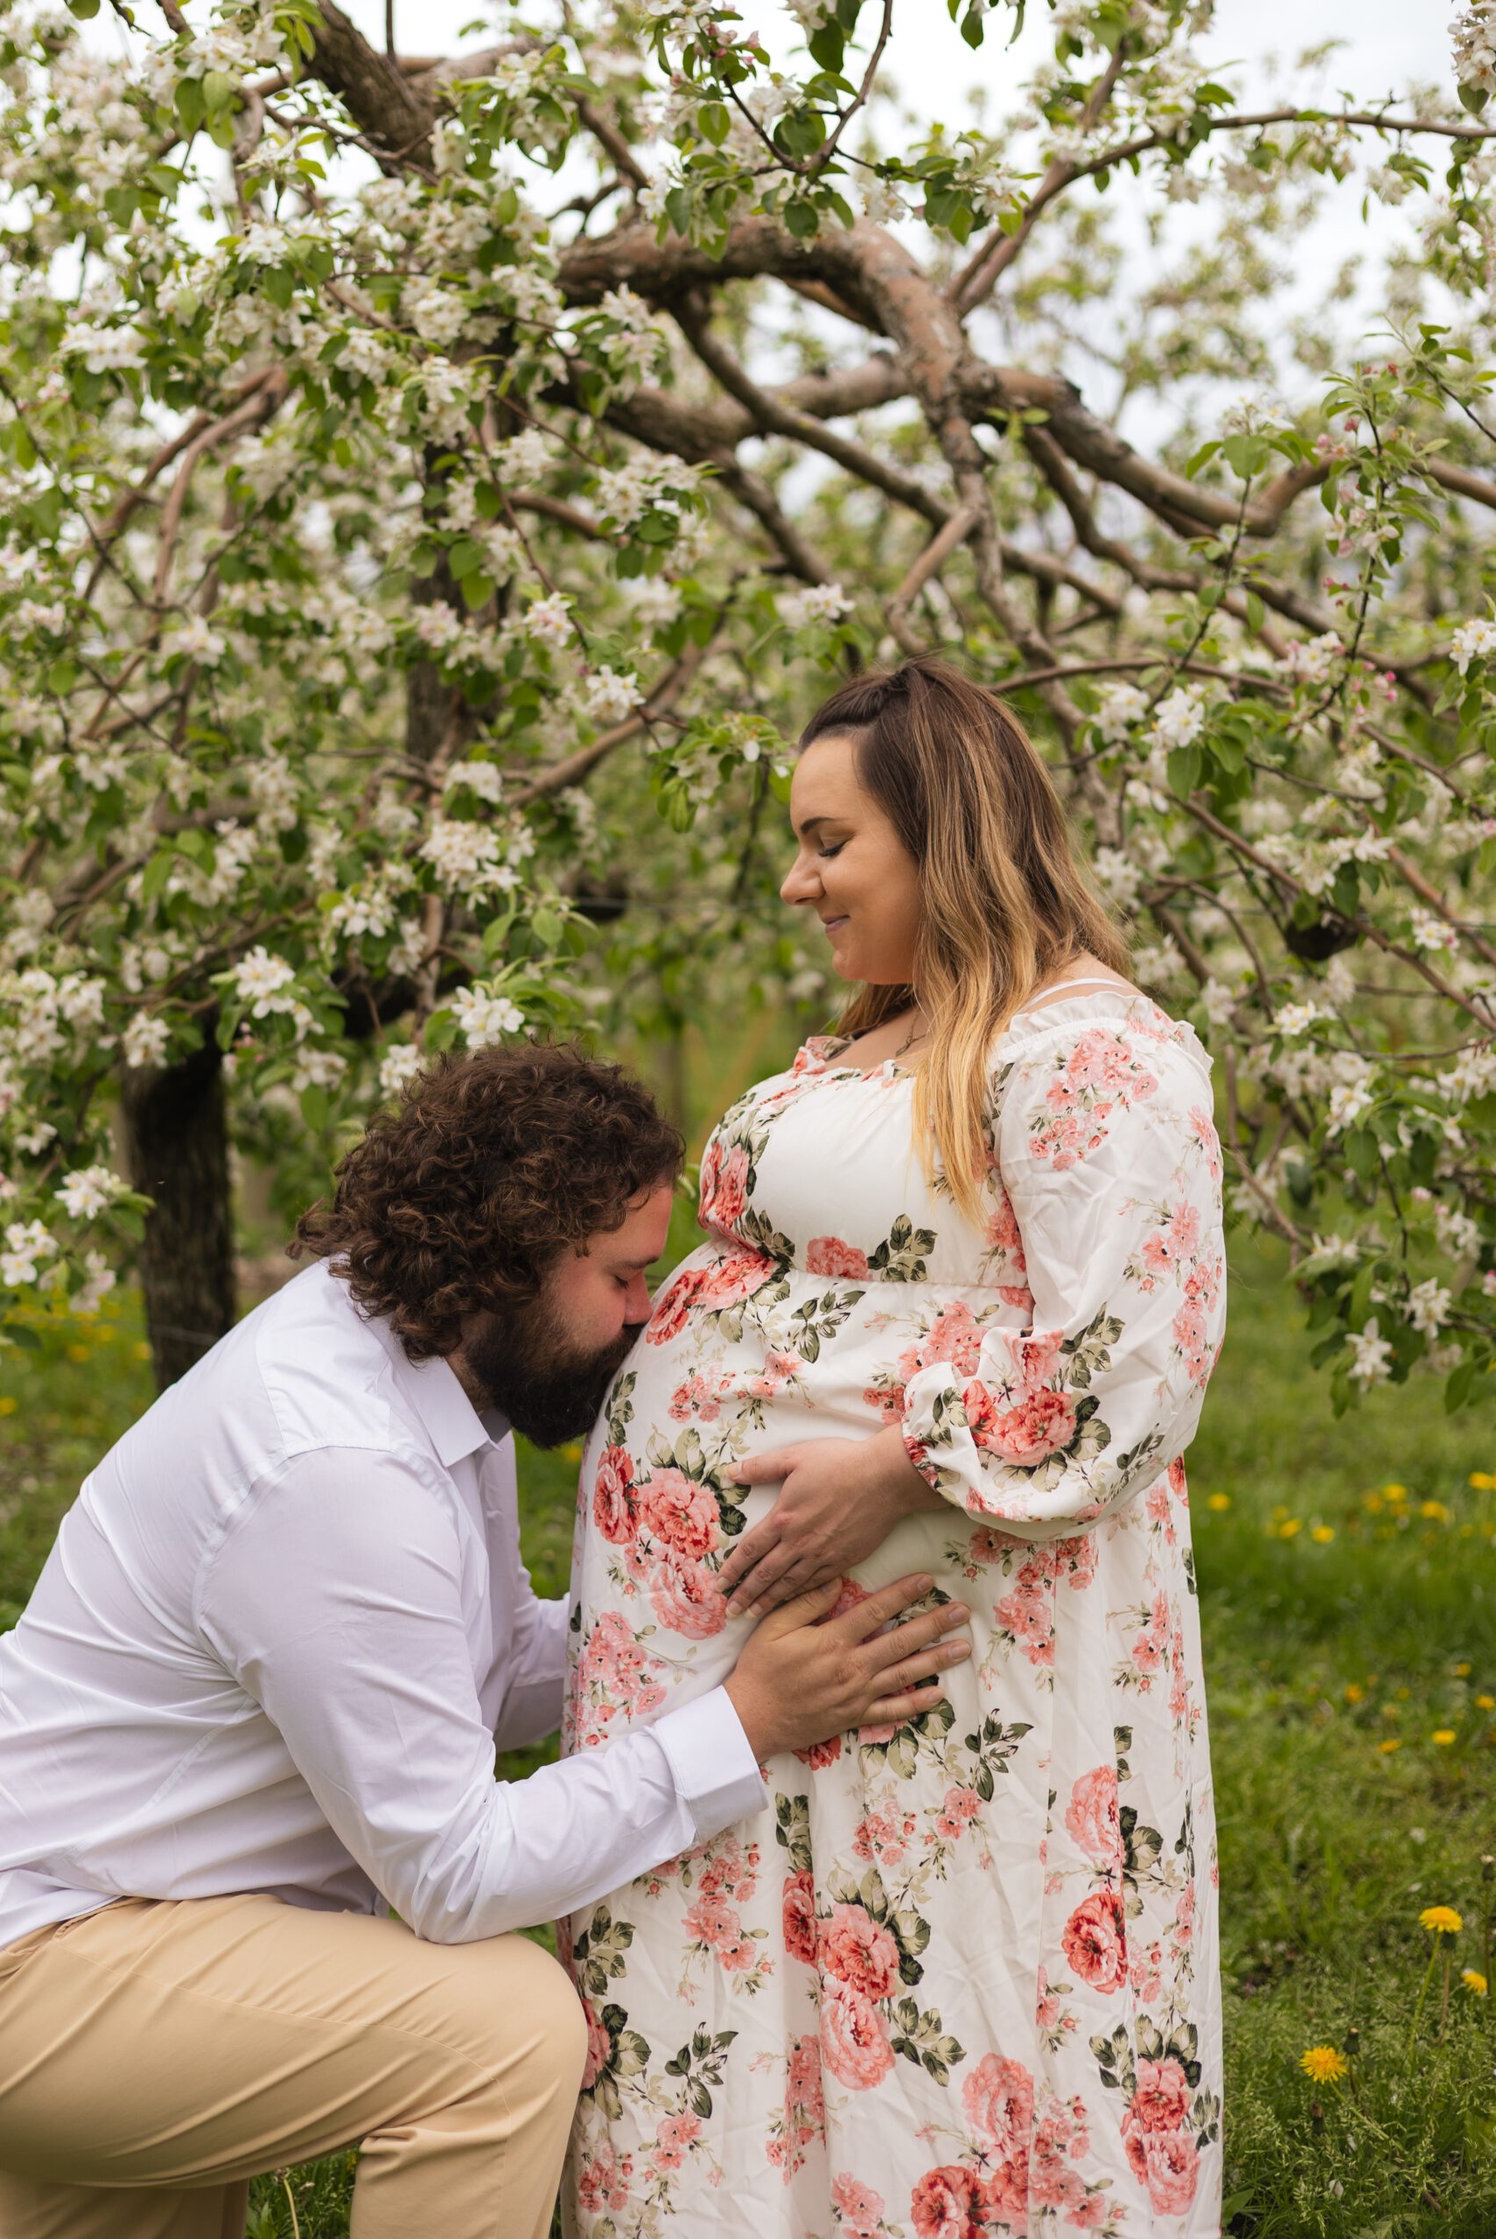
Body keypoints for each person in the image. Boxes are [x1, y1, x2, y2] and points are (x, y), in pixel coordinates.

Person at [0, 1042, 972, 2239]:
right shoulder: (338, 1465)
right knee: (503, 2029)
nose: (644, 1318)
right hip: (11, 1971)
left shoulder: (430, 1366)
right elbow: (452, 1874)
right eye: (622, 1279)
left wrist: (733, 1620)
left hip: (111, 1919)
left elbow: (498, 1661)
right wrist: (744, 1720)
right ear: (507, 1262)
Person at [562, 656, 1227, 2237]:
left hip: (944, 1676)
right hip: (784, 1677)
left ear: (949, 833)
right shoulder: (899, 1027)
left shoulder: (1091, 1050)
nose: (796, 881)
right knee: (794, 2015)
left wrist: (903, 1464)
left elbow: (1128, 1359)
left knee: (936, 2004)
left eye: (826, 840)